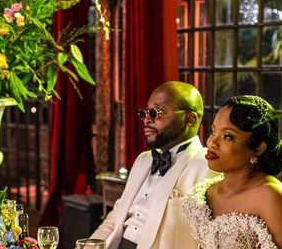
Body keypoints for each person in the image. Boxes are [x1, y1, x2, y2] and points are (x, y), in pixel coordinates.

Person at [89, 81, 217, 249]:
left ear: (189, 119)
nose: (146, 120)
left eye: (155, 112)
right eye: (145, 112)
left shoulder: (207, 166)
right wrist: (89, 246)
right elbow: (115, 218)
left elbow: (208, 240)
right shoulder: (143, 160)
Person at [181, 95, 282, 249]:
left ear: (258, 148)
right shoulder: (206, 192)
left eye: (227, 136)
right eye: (213, 131)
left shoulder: (272, 196)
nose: (212, 143)